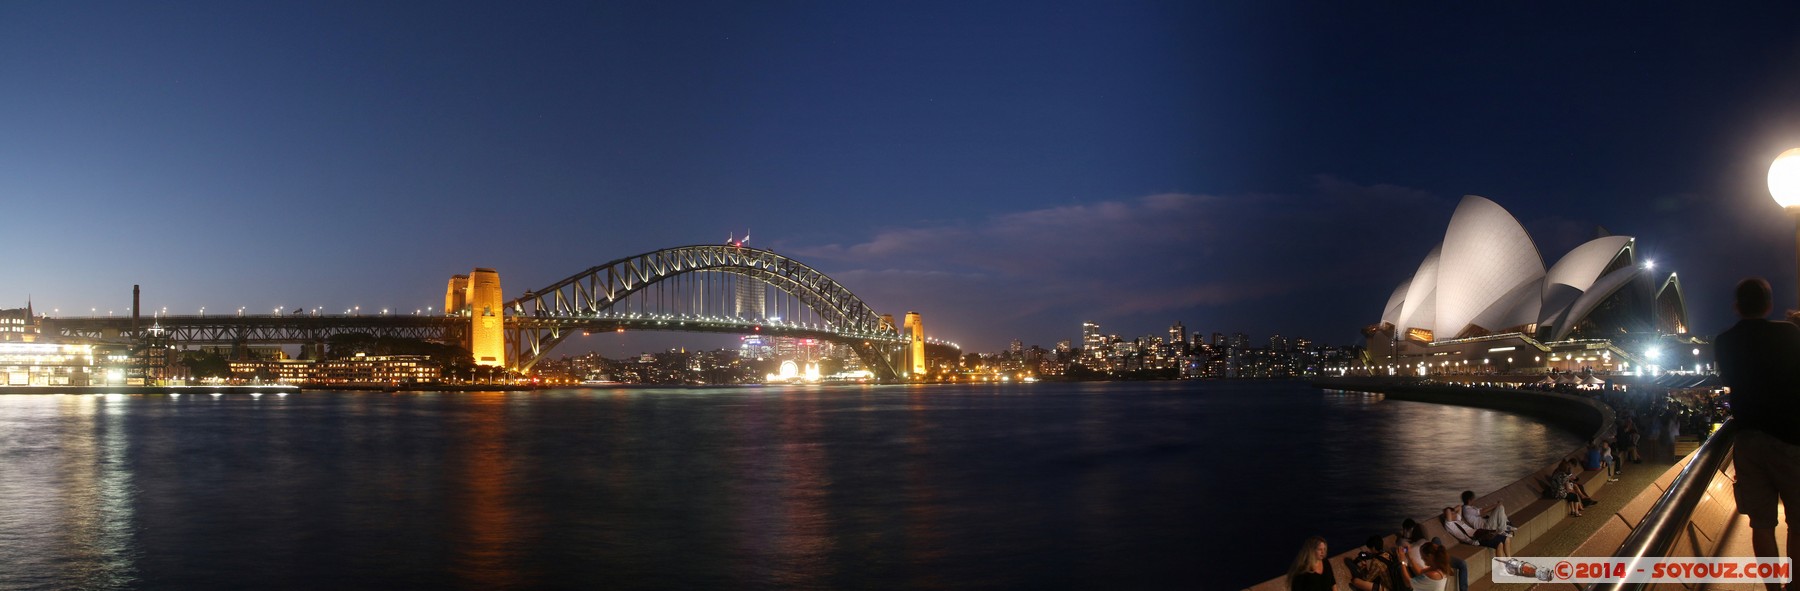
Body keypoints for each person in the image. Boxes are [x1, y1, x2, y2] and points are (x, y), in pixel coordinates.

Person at [1712, 277, 1800, 591]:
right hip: (1790, 438)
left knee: (1761, 524)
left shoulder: (1724, 341)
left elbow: (1728, 377)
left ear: (1736, 306)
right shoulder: (1789, 333)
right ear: (1769, 304)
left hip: (1747, 440)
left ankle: (1773, 589)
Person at [1400, 518, 1467, 591]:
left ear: (1430, 556)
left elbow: (1408, 584)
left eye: (1424, 558)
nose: (1422, 559)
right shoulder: (1439, 567)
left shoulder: (1433, 574)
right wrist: (1410, 557)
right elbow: (1421, 571)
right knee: (1436, 539)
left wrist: (1402, 561)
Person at [1442, 506, 1510, 558]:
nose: (1455, 514)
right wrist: (1449, 512)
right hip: (1475, 538)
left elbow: (1459, 507)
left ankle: (1509, 560)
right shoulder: (1449, 524)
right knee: (1499, 544)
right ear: (1448, 516)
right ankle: (1502, 569)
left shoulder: (1457, 519)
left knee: (1506, 538)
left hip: (1480, 532)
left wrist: (1453, 512)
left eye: (1454, 513)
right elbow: (1448, 511)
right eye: (1452, 514)